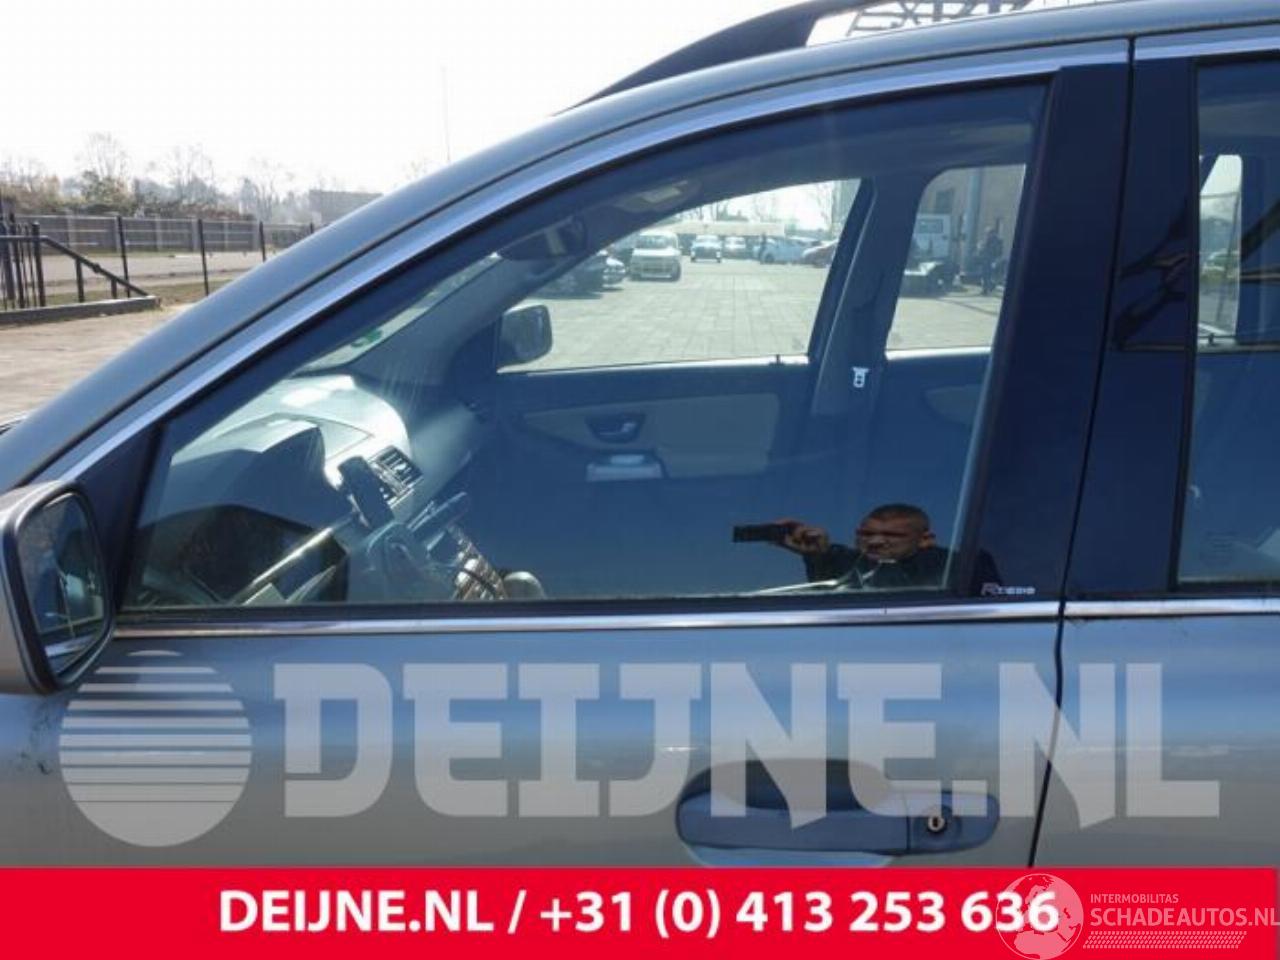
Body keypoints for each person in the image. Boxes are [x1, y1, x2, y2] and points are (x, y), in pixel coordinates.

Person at [773, 503, 949, 590]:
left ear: (925, 540)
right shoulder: (845, 562)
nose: (874, 542)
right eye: (867, 534)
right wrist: (817, 555)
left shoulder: (950, 568)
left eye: (892, 535)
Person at [979, 225, 1004, 295]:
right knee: (985, 275)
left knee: (989, 275)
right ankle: (986, 289)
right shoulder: (987, 240)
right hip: (985, 260)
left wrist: (996, 260)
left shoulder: (997, 241)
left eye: (988, 233)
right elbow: (983, 249)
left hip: (992, 260)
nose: (986, 235)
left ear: (992, 233)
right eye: (986, 233)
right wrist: (981, 248)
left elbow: (998, 251)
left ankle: (989, 287)